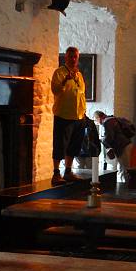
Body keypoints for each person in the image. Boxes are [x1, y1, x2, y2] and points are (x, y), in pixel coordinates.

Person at [50, 46, 87, 185]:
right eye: (70, 56)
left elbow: (81, 94)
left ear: (78, 58)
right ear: (65, 57)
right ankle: (56, 173)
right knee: (60, 144)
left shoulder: (79, 75)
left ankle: (68, 171)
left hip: (78, 116)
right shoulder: (59, 72)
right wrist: (66, 80)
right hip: (63, 115)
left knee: (74, 145)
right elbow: (55, 90)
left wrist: (84, 112)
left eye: (75, 57)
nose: (73, 59)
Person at [93, 110, 133, 184]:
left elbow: (109, 137)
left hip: (121, 146)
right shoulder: (113, 118)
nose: (97, 122)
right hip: (125, 144)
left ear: (99, 118)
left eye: (96, 120)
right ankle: (124, 185)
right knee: (123, 167)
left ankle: (122, 188)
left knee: (122, 168)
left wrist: (101, 139)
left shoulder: (107, 122)